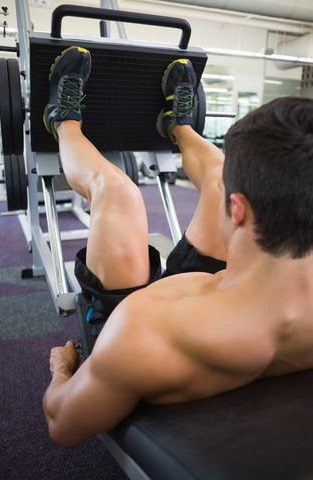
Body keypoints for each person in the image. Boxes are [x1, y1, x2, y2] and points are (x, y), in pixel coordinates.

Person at [43, 46, 313, 448]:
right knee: (220, 170)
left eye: (227, 196)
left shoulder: (140, 328)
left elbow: (61, 422)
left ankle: (64, 123)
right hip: (231, 294)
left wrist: (61, 370)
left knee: (117, 192)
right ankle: (178, 127)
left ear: (236, 211)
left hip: (165, 340)